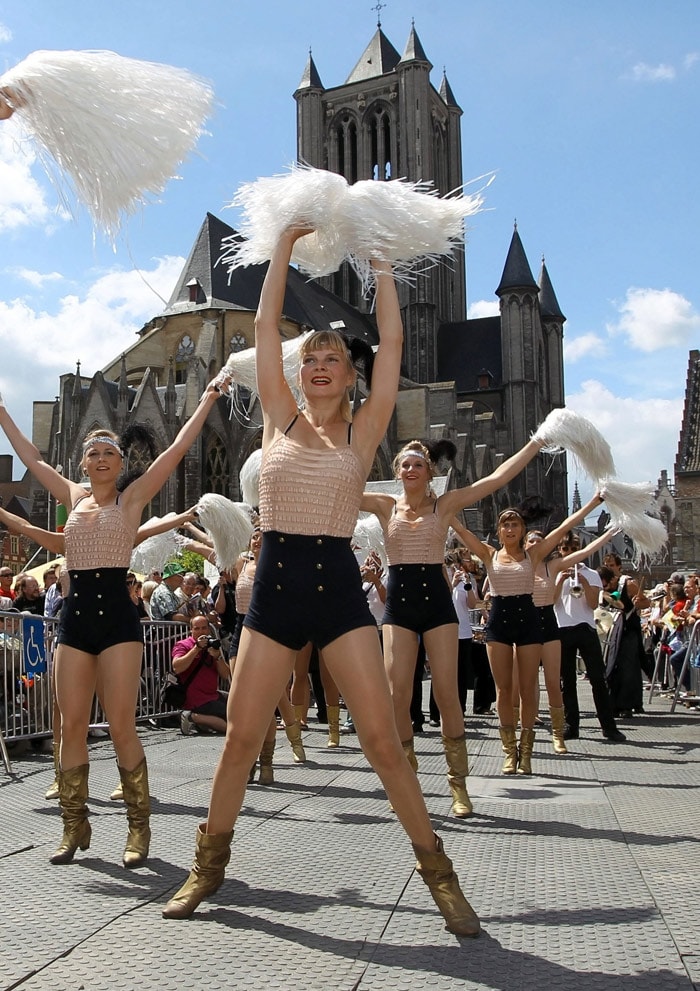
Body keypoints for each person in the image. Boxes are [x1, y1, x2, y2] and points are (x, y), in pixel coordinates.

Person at [162, 226, 480, 937]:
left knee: (382, 740)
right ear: (296, 373)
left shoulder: (363, 433)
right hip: (274, 583)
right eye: (312, 358)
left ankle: (440, 875)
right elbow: (269, 322)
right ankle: (206, 867)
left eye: (333, 358)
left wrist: (384, 273)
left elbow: (392, 348)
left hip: (336, 585)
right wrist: (279, 249)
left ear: (351, 375)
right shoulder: (276, 417)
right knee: (242, 737)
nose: (321, 365)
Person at [0, 370, 231, 867]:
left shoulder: (131, 500)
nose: (100, 458)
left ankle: (137, 828)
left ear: (121, 462)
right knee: (73, 723)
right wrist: (2, 415)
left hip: (118, 624)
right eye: (93, 453)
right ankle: (74, 823)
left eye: (108, 453)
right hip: (76, 620)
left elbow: (173, 455)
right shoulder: (73, 498)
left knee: (123, 725)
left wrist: (206, 399)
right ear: (83, 463)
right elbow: (32, 458)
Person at [360, 435, 545, 807]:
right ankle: (407, 776)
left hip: (436, 605)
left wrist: (535, 444)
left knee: (446, 693)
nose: (410, 469)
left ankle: (458, 783)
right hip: (399, 604)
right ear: (397, 472)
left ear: (429, 472)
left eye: (417, 464)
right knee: (397, 694)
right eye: (405, 465)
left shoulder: (444, 505)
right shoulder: (384, 505)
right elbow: (338, 485)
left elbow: (492, 480)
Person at [553, 533, 626, 743]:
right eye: (566, 549)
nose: (570, 553)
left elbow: (593, 605)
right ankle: (571, 725)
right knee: (567, 680)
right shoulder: (556, 573)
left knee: (597, 679)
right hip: (563, 627)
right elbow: (551, 601)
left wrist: (583, 582)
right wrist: (560, 581)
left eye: (574, 549)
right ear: (560, 551)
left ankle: (608, 726)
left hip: (585, 627)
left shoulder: (592, 574)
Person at [174, 614, 230, 735]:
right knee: (232, 728)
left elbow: (225, 675)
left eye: (204, 628)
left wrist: (218, 657)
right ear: (191, 630)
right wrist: (196, 648)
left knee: (239, 706)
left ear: (209, 629)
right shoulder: (183, 645)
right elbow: (177, 667)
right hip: (195, 699)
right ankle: (192, 717)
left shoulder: (213, 646)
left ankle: (202, 723)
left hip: (212, 695)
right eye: (197, 629)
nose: (201, 632)